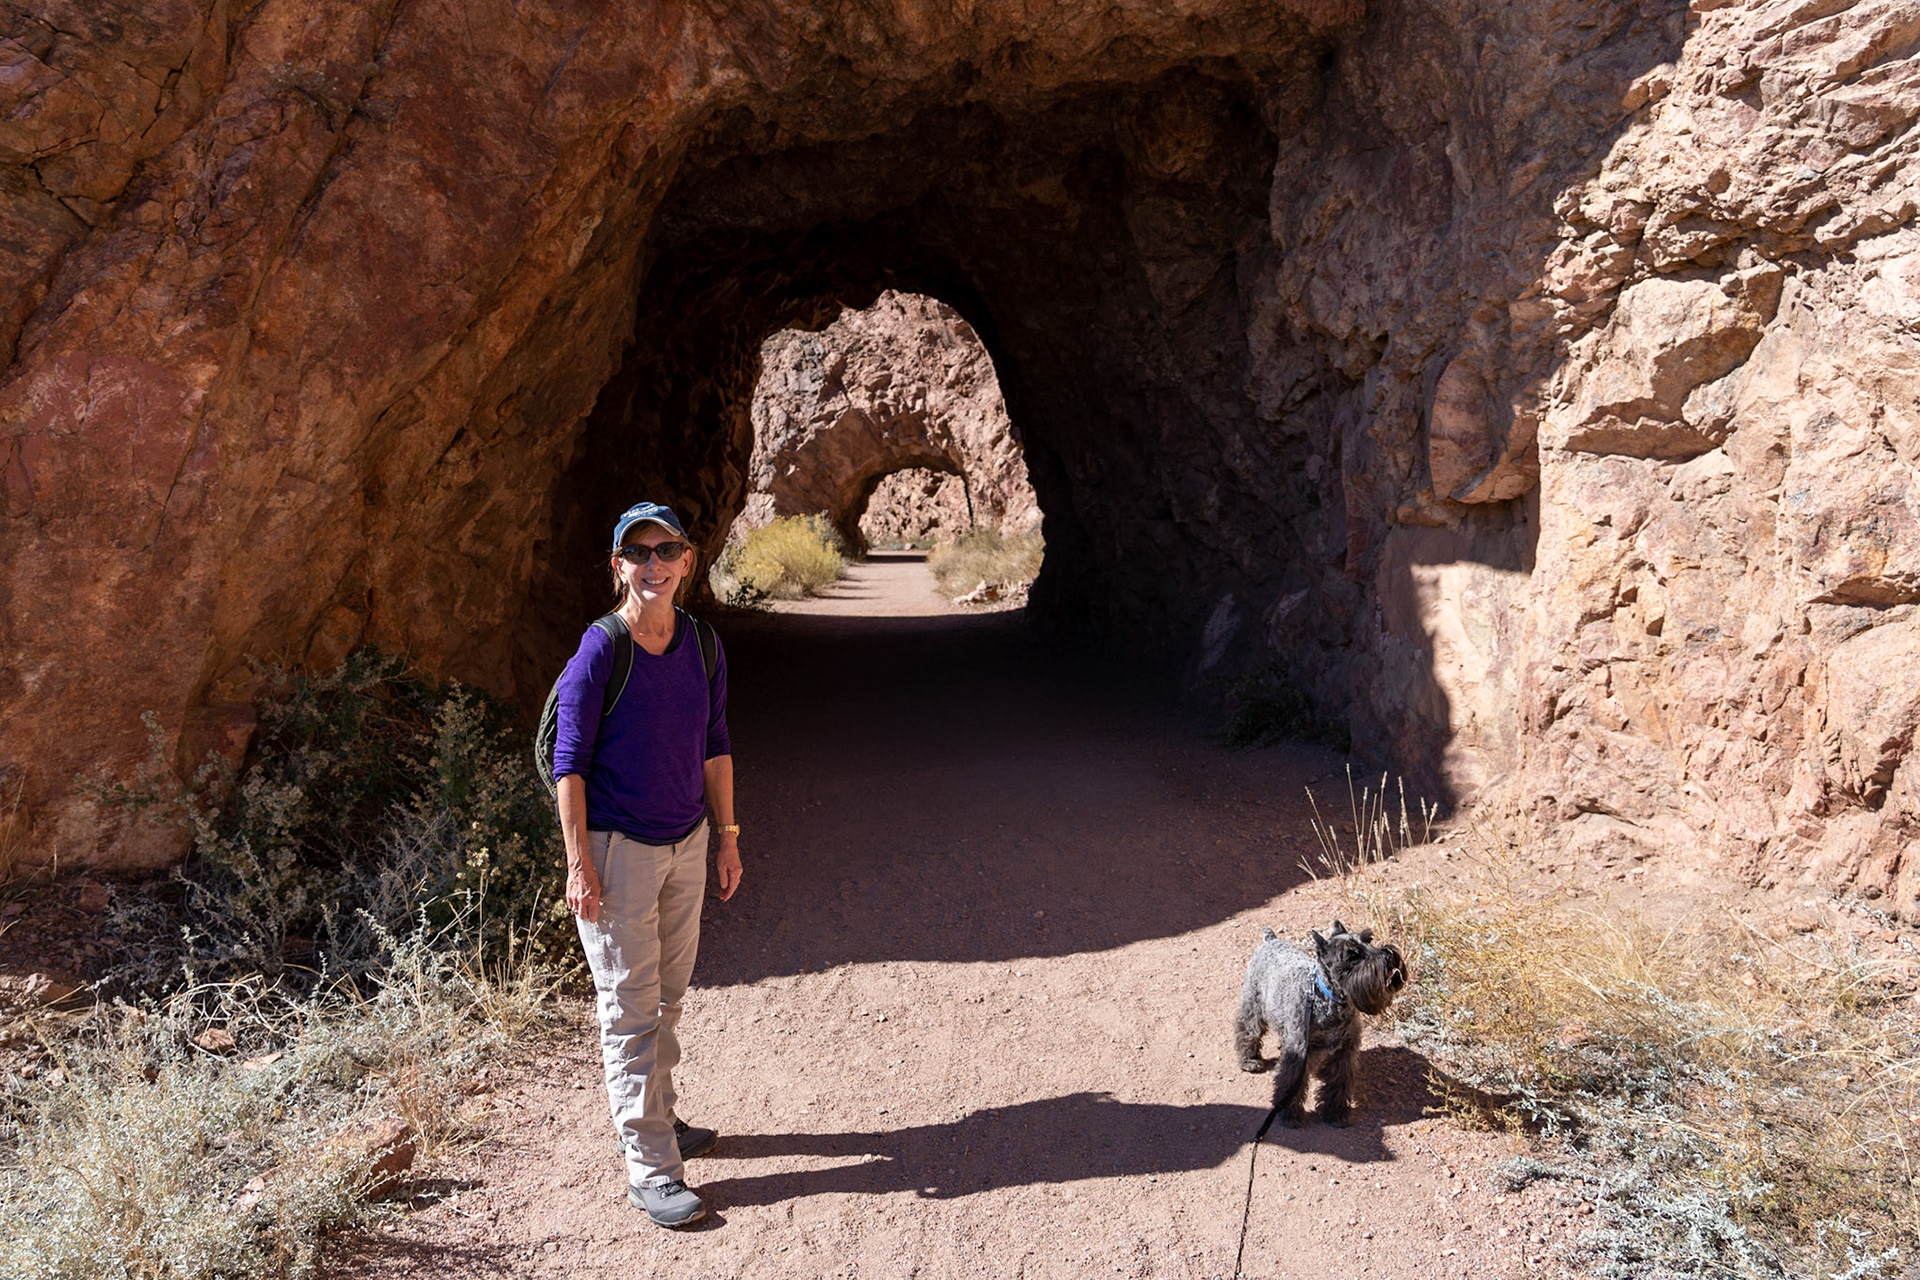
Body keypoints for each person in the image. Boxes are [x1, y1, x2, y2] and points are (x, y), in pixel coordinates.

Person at [552, 500, 743, 1229]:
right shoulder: (601, 650)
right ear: (617, 566)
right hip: (617, 851)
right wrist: (579, 864)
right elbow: (569, 766)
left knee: (666, 995)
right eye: (638, 552)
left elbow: (715, 743)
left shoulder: (701, 644)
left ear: (688, 561)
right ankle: (652, 1167)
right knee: (630, 1011)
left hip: (686, 843)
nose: (653, 564)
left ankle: (659, 1117)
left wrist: (726, 836)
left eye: (667, 550)